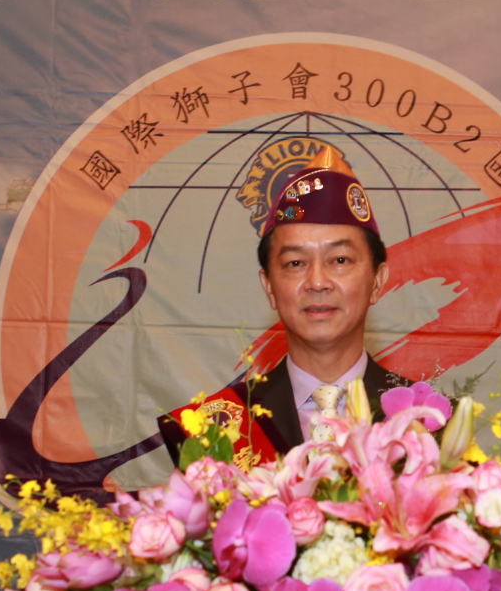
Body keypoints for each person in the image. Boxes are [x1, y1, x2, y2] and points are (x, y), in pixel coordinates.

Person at [158, 146, 409, 465]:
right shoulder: (213, 430)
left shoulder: (429, 421)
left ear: (377, 281)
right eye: (295, 263)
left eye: (340, 260)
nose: (317, 282)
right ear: (269, 288)